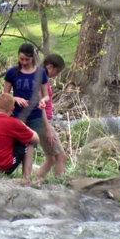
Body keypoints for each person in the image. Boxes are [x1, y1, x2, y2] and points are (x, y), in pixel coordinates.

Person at [3, 42, 59, 177]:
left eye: (27, 60)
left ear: (33, 58)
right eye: (21, 59)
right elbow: (5, 95)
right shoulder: (12, 72)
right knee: (16, 144)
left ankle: (26, 176)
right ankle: (6, 170)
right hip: (17, 114)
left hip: (35, 115)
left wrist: (42, 101)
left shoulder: (40, 73)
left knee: (30, 144)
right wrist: (15, 98)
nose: (23, 62)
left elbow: (46, 96)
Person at [34, 53, 68, 181]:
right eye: (57, 71)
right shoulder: (39, 79)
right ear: (49, 66)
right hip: (42, 122)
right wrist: (48, 128)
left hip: (44, 121)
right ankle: (59, 184)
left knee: (51, 158)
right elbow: (39, 104)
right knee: (61, 156)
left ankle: (36, 181)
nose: (57, 74)